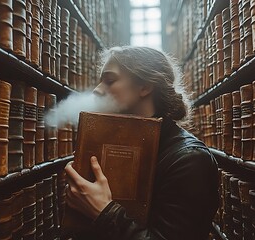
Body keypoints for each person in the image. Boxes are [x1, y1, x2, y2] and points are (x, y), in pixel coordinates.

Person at [64, 46, 219, 240]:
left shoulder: (191, 160)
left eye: (110, 80)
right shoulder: (109, 144)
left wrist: (104, 212)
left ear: (145, 86)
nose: (96, 90)